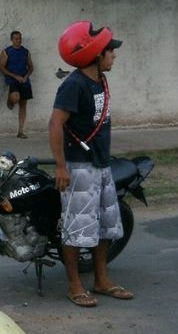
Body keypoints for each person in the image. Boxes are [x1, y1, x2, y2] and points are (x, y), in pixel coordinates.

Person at [48, 20, 132, 308]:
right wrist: (61, 166)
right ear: (96, 54)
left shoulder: (100, 81)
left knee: (106, 227)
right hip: (79, 167)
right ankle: (75, 286)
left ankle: (102, 280)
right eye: (110, 50)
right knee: (76, 228)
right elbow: (55, 124)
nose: (114, 55)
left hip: (101, 164)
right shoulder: (74, 85)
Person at [0, 30, 34, 139]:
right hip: (12, 79)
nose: (18, 40)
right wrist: (15, 76)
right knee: (15, 97)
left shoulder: (26, 52)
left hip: (24, 80)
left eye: (20, 38)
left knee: (23, 105)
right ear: (12, 40)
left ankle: (20, 131)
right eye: (16, 39)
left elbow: (31, 67)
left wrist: (26, 76)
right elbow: (1, 67)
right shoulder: (6, 52)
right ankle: (10, 100)